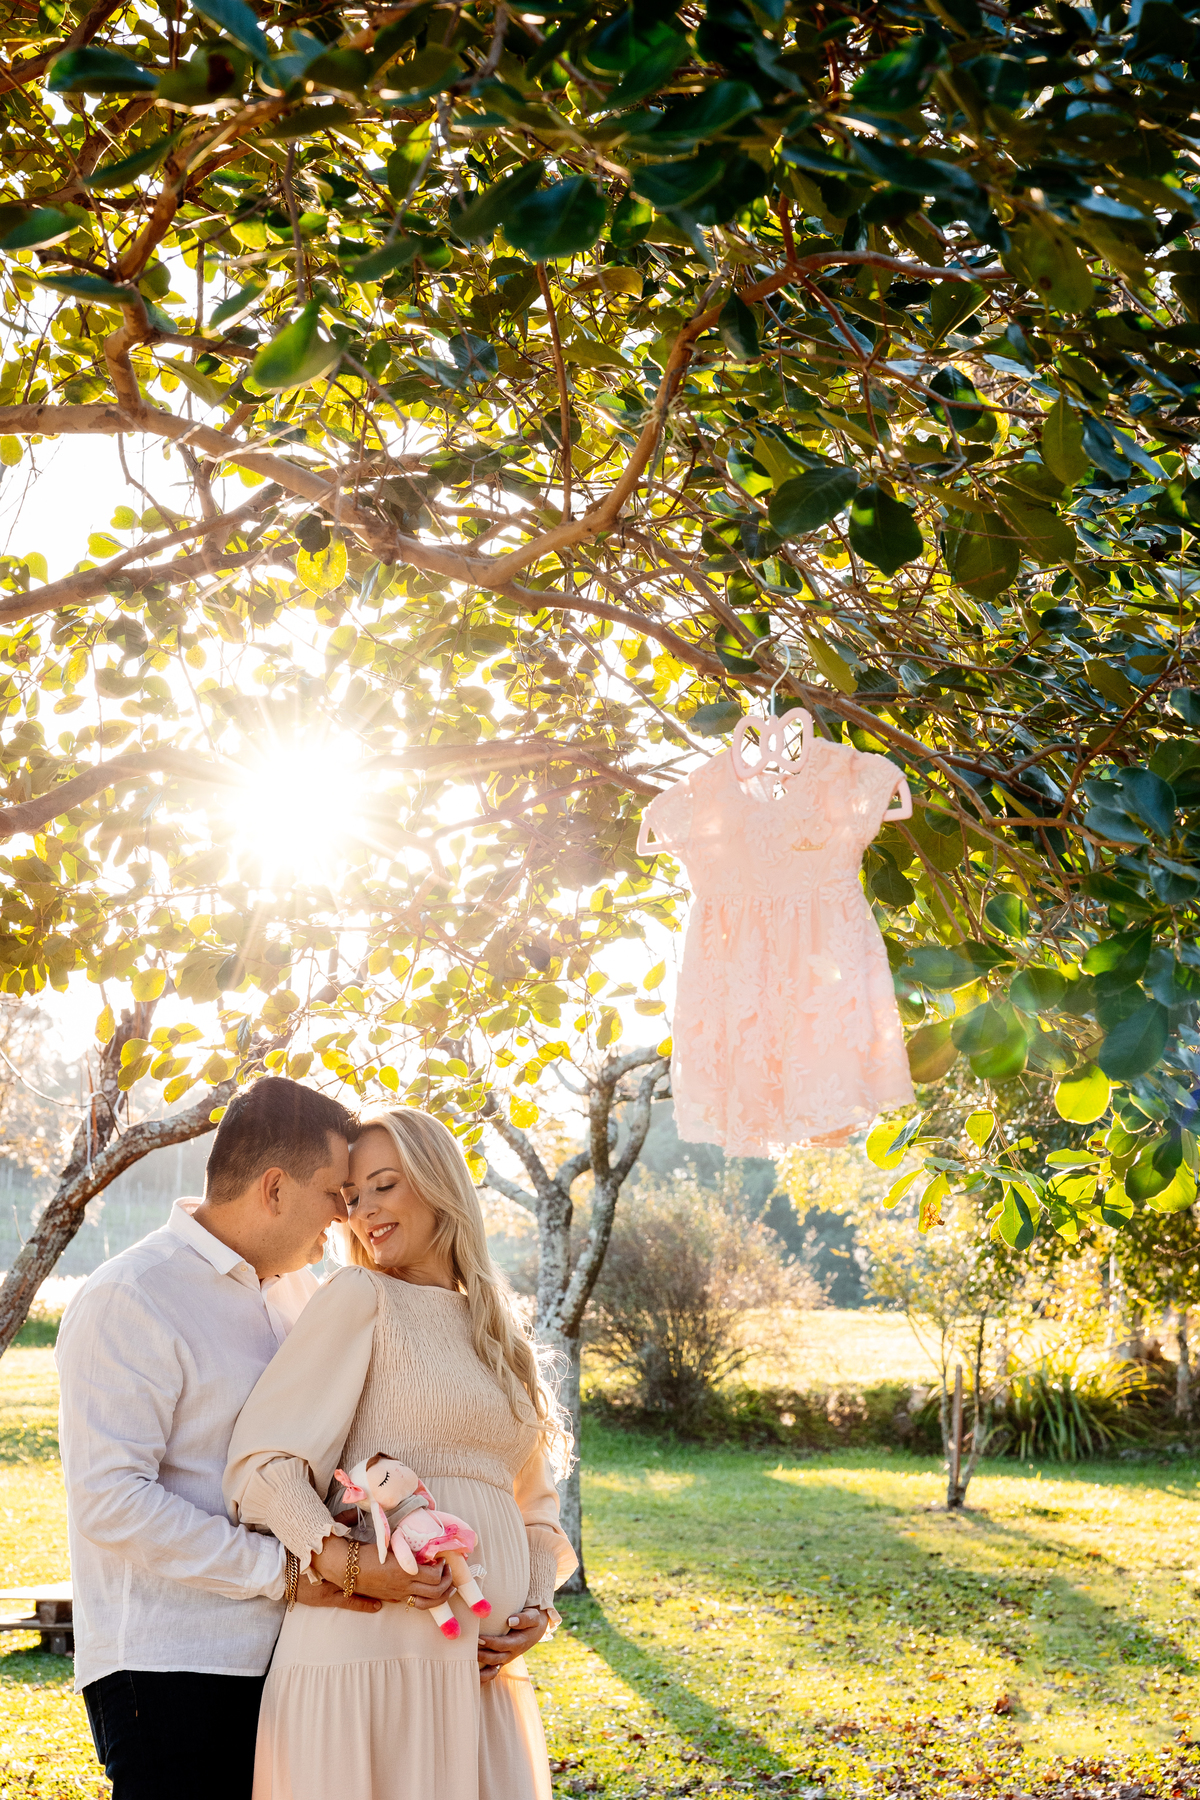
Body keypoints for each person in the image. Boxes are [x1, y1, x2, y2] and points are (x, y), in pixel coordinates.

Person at [56, 1076, 455, 1800]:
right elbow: (111, 1501)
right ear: (274, 1189)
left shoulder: (302, 1297)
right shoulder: (131, 1296)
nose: (346, 1219)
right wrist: (289, 1574)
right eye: (337, 1194)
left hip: (299, 1660)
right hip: (176, 1668)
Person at [225, 1105, 578, 1800]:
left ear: (437, 1180)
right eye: (352, 1198)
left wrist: (536, 1607)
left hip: (480, 1675)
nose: (364, 1212)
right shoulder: (361, 1297)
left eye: (384, 1185)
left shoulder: (499, 1334)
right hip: (372, 1661)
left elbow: (536, 1510)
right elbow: (260, 1466)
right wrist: (345, 1561)